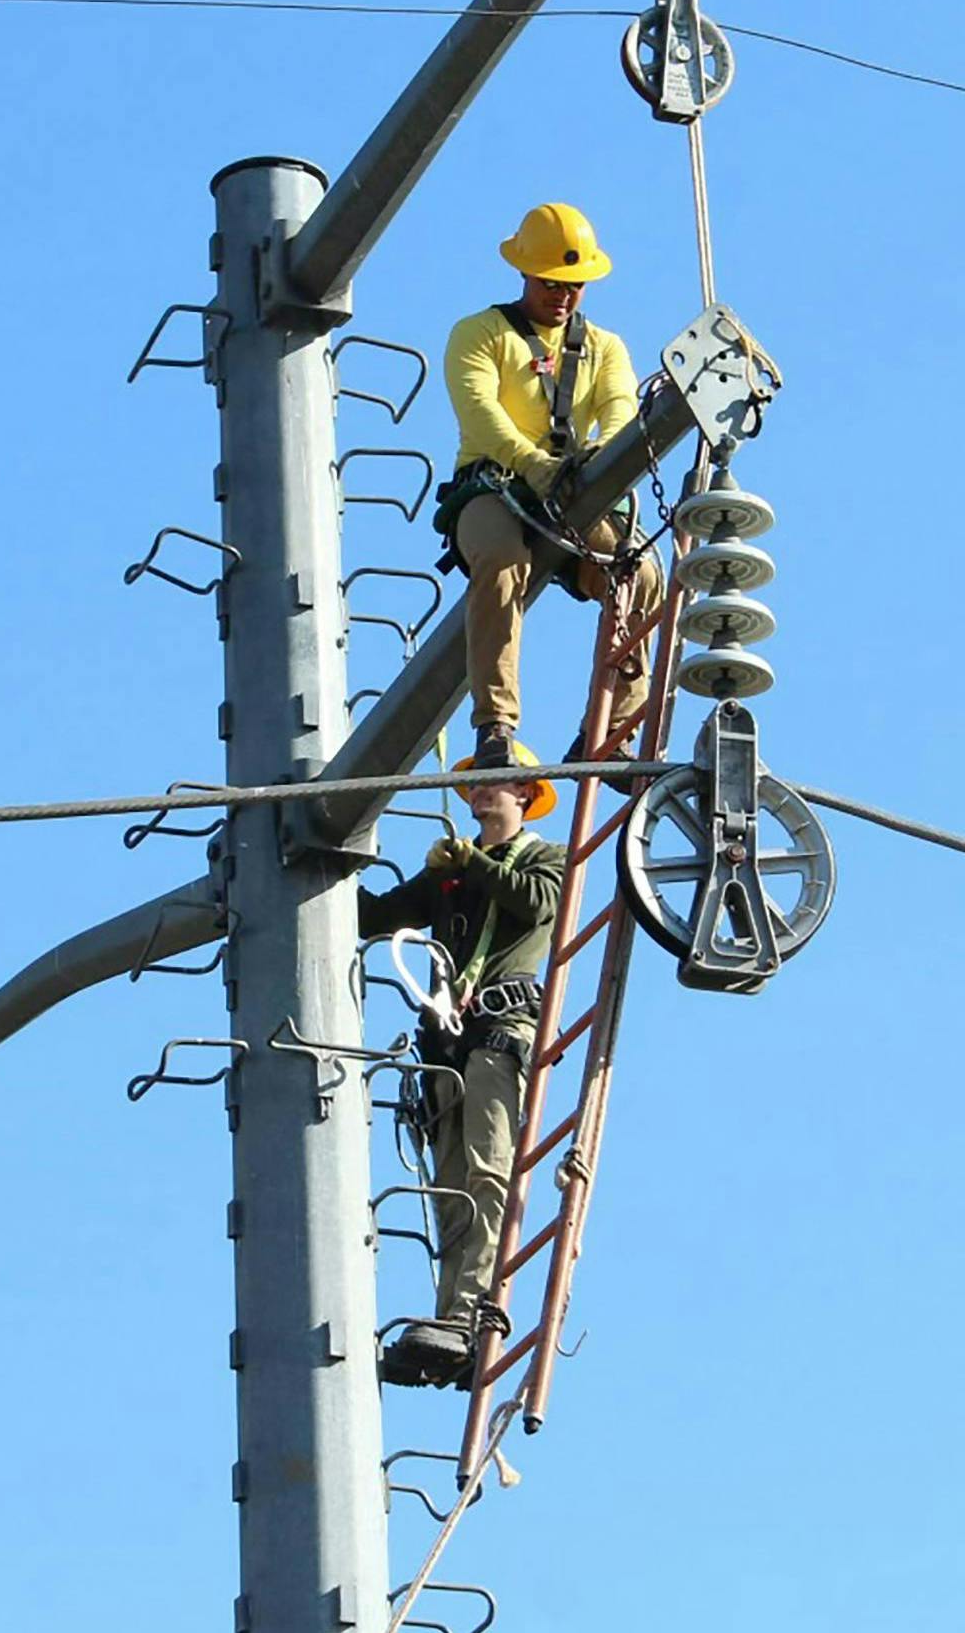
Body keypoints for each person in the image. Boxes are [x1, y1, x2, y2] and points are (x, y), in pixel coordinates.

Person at [436, 201, 668, 772]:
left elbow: (618, 407)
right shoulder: (481, 334)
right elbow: (481, 416)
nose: (562, 295)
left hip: (575, 494)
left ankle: (607, 728)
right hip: (493, 486)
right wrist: (537, 465)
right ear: (524, 274)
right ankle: (495, 725)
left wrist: (606, 459)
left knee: (640, 573)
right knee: (501, 559)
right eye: (550, 283)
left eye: (574, 285)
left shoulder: (604, 347)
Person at [361, 747, 564, 1388]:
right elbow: (373, 918)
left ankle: (474, 1311)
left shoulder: (546, 860)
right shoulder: (449, 876)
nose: (478, 793)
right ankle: (450, 1318)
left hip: (502, 1034)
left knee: (487, 1170)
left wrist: (471, 860)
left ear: (525, 794)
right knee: (450, 1187)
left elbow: (533, 904)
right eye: (473, 784)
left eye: (493, 784)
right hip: (449, 1045)